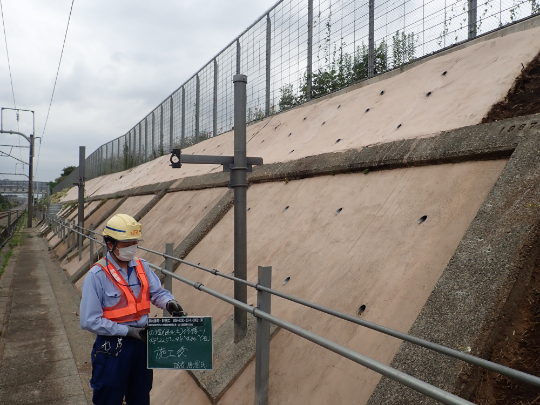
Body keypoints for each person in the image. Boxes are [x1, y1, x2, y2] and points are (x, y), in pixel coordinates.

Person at [80, 214, 185, 405]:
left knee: (140, 396)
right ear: (110, 244)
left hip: (142, 344)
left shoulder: (142, 267)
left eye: (134, 243)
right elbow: (89, 320)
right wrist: (127, 331)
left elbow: (157, 293)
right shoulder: (96, 276)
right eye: (126, 243)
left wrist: (169, 303)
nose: (132, 248)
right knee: (108, 397)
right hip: (112, 348)